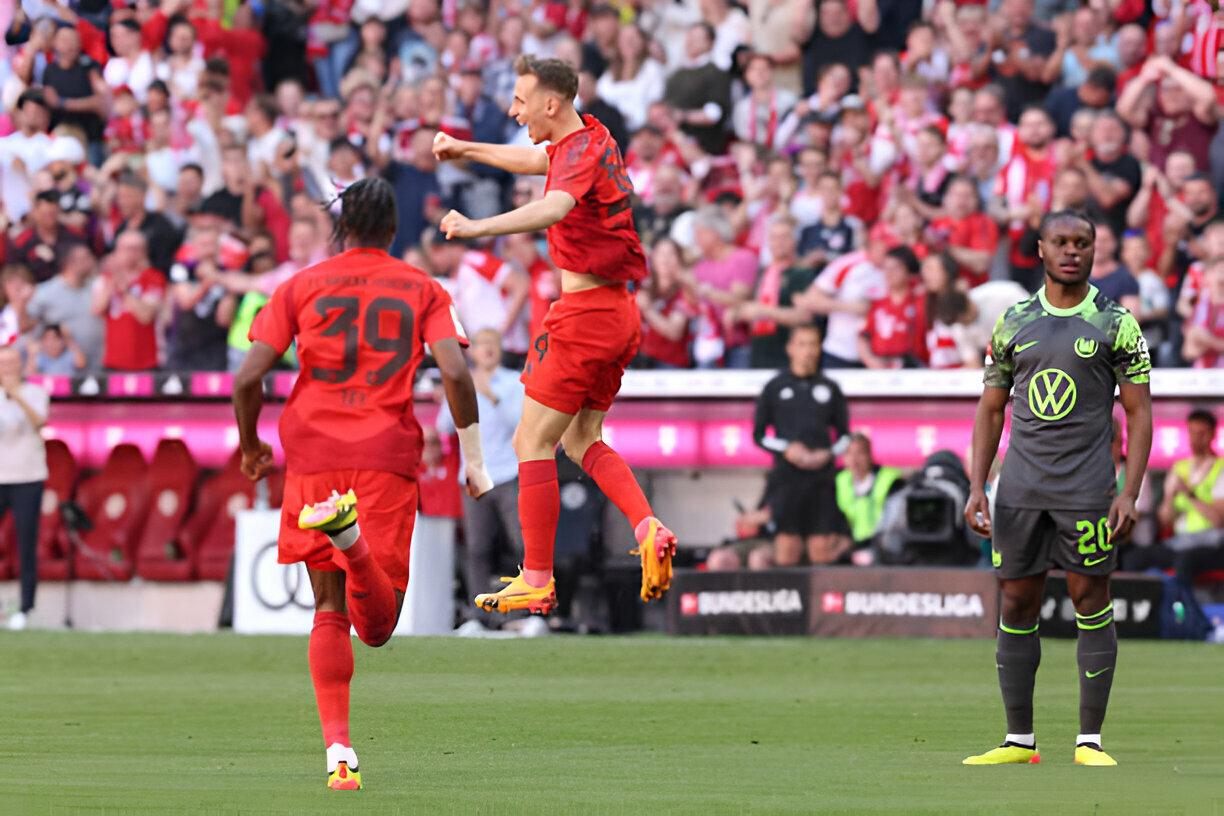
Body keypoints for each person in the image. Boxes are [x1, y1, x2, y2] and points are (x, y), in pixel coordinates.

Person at [232, 177, 491, 792]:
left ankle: (339, 753)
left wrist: (250, 448)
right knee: (376, 627)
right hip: (383, 456)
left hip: (314, 454)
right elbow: (454, 368)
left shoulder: (296, 286)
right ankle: (351, 541)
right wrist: (472, 456)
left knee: (327, 609)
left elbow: (247, 379)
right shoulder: (424, 287)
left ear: (340, 226)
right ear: (394, 230)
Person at [432, 55, 677, 612]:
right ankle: (647, 528)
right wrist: (467, 149)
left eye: (521, 101)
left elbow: (554, 206)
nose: (515, 111)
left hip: (585, 316)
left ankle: (537, 577)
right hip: (619, 313)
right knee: (580, 439)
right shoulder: (592, 137)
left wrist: (478, 228)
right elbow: (535, 161)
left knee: (529, 442)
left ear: (551, 102)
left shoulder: (577, 154)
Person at [963, 210, 1152, 768]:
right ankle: (1018, 740)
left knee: (1089, 599)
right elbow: (990, 407)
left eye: (1083, 243)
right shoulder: (1013, 321)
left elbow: (1140, 415)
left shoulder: (1117, 323)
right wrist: (978, 485)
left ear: (1095, 251)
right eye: (1061, 242)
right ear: (1040, 249)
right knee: (1016, 600)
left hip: (1087, 490)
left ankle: (1089, 741)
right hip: (1019, 488)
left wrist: (1128, 491)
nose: (1072, 251)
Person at [436, 328, 525, 609]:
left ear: (500, 349)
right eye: (481, 344)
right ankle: (479, 616)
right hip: (475, 476)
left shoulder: (514, 383)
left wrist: (490, 395)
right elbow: (443, 426)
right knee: (477, 549)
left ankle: (524, 611)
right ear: (472, 351)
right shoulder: (463, 381)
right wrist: (457, 393)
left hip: (509, 474)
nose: (486, 349)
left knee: (521, 546)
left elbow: (519, 424)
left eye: (492, 344)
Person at [751, 325, 852, 566]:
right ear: (790, 348)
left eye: (813, 344)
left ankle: (821, 602)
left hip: (821, 480)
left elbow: (845, 436)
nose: (808, 351)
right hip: (787, 480)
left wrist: (828, 454)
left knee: (822, 549)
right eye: (802, 344)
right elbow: (759, 435)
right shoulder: (775, 387)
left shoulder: (830, 388)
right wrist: (786, 449)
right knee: (787, 550)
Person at [0, 345, 49, 631]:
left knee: (26, 544)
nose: (6, 367)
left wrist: (15, 394)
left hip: (28, 478)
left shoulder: (35, 393)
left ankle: (26, 608)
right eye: (2, 363)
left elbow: (39, 422)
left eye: (10, 362)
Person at [835, 433, 903, 550]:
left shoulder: (890, 480)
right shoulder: (839, 481)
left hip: (883, 544)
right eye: (848, 454)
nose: (854, 460)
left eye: (859, 453)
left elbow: (896, 519)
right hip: (849, 546)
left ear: (870, 454)